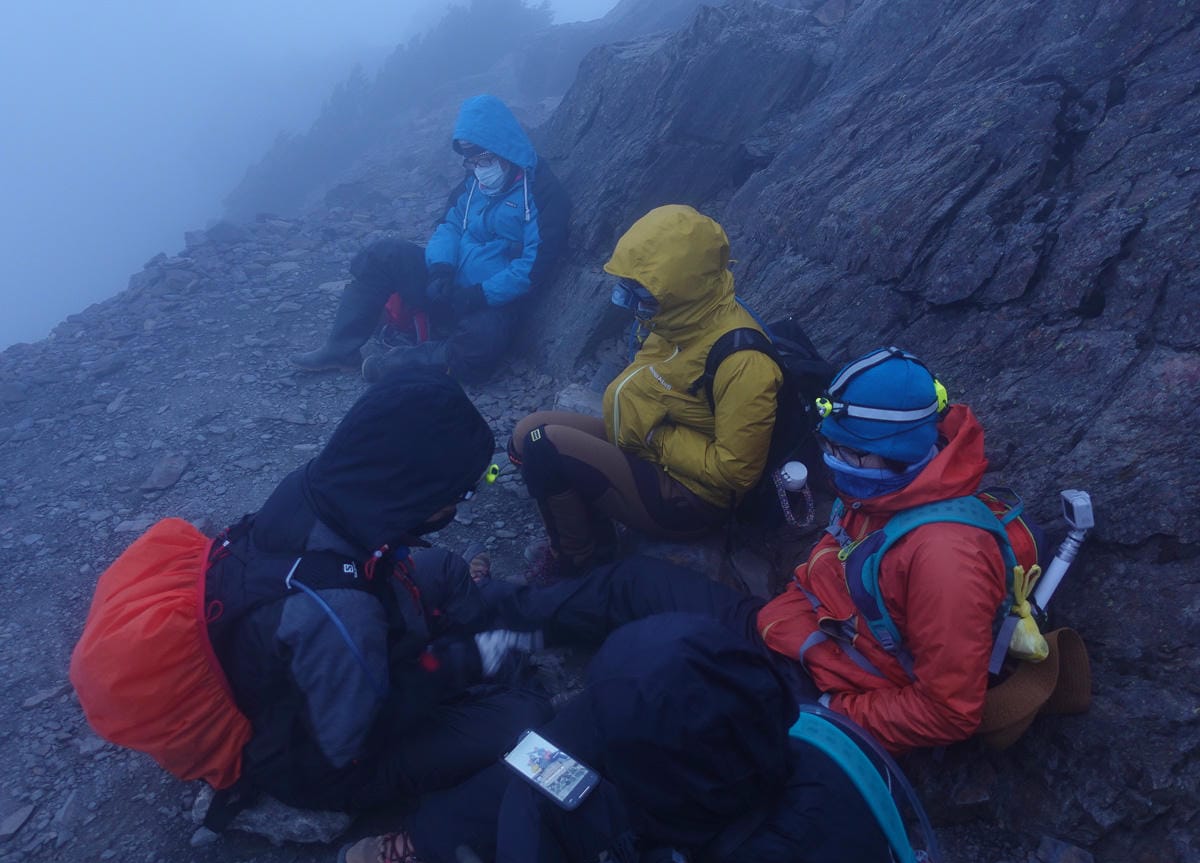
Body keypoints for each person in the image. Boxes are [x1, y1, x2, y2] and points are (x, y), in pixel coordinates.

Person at [492, 347, 1048, 755]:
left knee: (655, 692)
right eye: (830, 446)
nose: (834, 462)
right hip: (788, 632)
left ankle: (517, 779)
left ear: (902, 452)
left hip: (822, 688)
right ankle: (494, 621)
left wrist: (830, 717)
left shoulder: (945, 558)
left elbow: (949, 710)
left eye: (848, 454)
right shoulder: (894, 487)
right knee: (637, 582)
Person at [336, 615, 895, 863]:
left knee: (553, 779)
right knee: (551, 766)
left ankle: (451, 853)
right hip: (721, 822)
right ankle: (438, 838)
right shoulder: (821, 738)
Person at [203, 367, 550, 814]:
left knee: (443, 566)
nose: (463, 500)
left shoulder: (323, 484)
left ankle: (498, 669)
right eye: (461, 493)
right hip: (322, 757)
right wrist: (445, 667)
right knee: (524, 719)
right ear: (412, 490)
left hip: (316, 651)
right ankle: (500, 687)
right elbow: (352, 739)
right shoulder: (341, 611)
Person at [510, 205, 782, 582]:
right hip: (643, 447)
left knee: (543, 447)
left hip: (690, 497)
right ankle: (591, 524)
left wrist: (657, 437)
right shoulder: (677, 318)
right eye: (630, 289)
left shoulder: (742, 360)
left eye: (644, 293)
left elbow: (736, 472)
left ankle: (578, 561)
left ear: (681, 288)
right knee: (528, 431)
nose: (635, 304)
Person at [290, 94, 569, 383]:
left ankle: (398, 363)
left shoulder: (543, 195)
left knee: (484, 342)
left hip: (488, 301)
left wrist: (480, 294)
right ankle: (341, 350)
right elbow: (448, 226)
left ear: (504, 147)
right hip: (446, 286)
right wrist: (440, 269)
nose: (478, 167)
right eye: (470, 160)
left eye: (484, 158)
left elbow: (533, 266)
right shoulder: (473, 183)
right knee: (383, 254)